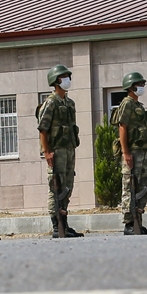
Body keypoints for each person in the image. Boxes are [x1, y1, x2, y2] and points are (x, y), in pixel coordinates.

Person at [37, 64, 83, 238]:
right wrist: (47, 151)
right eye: (64, 77)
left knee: (67, 186)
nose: (67, 80)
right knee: (55, 186)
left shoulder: (69, 103)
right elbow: (43, 129)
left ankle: (65, 223)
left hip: (69, 149)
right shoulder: (51, 102)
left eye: (68, 76)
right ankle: (57, 226)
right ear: (56, 81)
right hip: (56, 150)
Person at [112, 71, 147, 235]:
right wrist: (126, 152)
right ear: (131, 87)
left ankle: (138, 221)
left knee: (142, 186)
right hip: (132, 152)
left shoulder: (138, 105)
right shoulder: (127, 103)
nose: (142, 87)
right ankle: (129, 223)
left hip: (142, 152)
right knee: (130, 187)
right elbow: (122, 127)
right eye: (139, 84)